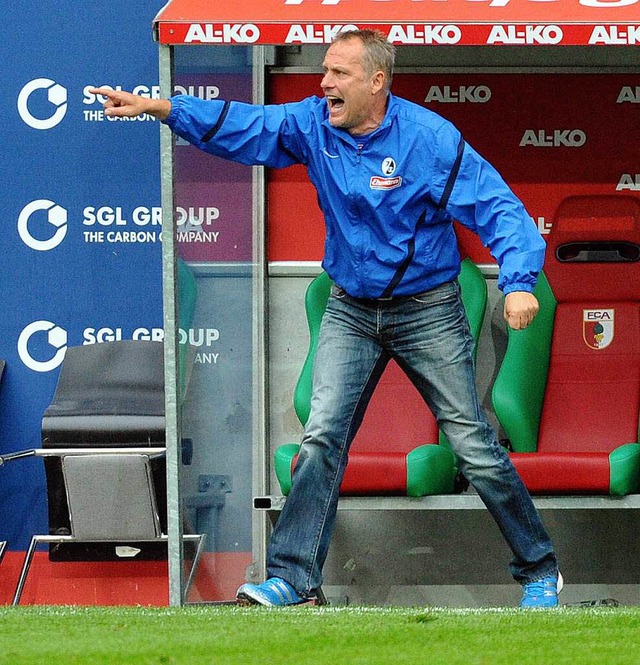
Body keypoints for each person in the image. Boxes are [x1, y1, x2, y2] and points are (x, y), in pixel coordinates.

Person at [91, 29, 561, 609]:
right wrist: (165, 107)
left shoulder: (430, 140)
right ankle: (293, 579)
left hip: (428, 310)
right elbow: (246, 126)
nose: (324, 83)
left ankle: (540, 570)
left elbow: (500, 210)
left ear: (376, 82)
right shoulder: (314, 125)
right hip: (351, 308)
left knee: (474, 447)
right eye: (324, 72)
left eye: (339, 73)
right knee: (320, 440)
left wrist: (516, 284)